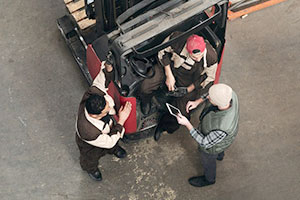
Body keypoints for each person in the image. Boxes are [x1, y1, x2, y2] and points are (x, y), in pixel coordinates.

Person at [139, 31, 218, 140]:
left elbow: (208, 77)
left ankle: (164, 125)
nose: (198, 59)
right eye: (195, 58)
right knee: (146, 85)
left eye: (200, 56)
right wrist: (168, 75)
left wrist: (188, 89)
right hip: (169, 67)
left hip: (189, 79)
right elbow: (162, 52)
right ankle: (146, 101)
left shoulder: (211, 56)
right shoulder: (177, 39)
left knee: (182, 114)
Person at [76, 60, 132, 181]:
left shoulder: (93, 93)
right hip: (90, 144)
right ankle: (91, 169)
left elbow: (102, 79)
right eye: (106, 111)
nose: (110, 110)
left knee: (112, 136)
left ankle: (114, 150)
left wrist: (108, 67)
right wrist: (121, 121)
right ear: (95, 115)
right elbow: (109, 141)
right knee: (90, 157)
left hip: (106, 127)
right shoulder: (87, 131)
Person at [176, 83, 239, 187]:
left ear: (215, 102)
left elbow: (204, 142)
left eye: (210, 98)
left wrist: (187, 124)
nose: (207, 97)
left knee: (208, 160)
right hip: (223, 138)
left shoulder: (222, 127)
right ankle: (220, 155)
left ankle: (209, 179)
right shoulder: (230, 94)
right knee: (220, 146)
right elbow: (212, 94)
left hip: (211, 147)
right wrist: (198, 101)